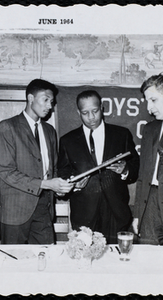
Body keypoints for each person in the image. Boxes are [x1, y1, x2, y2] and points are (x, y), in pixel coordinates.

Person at [0, 79, 74, 244]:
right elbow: (6, 172)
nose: (49, 106)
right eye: (45, 100)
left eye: (51, 102)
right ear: (30, 98)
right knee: (14, 263)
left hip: (45, 207)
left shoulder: (49, 131)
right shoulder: (8, 127)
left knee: (45, 259)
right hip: (15, 211)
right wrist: (46, 184)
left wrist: (59, 188)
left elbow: (52, 169)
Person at [58, 90, 139, 244]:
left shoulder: (121, 135)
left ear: (102, 108)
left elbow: (135, 169)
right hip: (84, 215)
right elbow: (63, 173)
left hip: (117, 213)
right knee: (86, 262)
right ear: (78, 112)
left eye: (95, 111)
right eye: (85, 113)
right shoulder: (67, 141)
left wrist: (125, 170)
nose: (91, 117)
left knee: (116, 262)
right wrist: (74, 185)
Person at [133, 73, 163, 245]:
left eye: (153, 100)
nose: (149, 108)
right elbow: (142, 176)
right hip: (149, 204)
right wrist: (137, 214)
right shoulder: (149, 129)